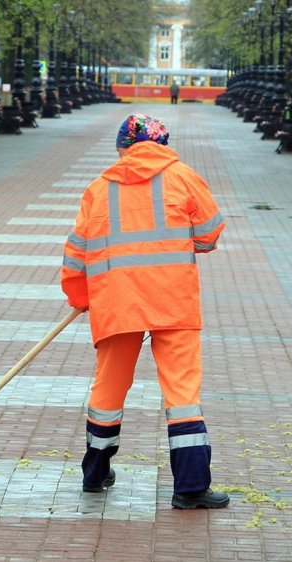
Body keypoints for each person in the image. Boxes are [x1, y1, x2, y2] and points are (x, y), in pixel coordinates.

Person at [60, 114, 228, 510]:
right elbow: (209, 233)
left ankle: (95, 473)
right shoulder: (183, 176)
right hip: (173, 301)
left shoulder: (99, 189)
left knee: (108, 388)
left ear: (123, 147)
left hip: (117, 302)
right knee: (182, 393)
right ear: (163, 145)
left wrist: (80, 296)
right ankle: (189, 488)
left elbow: (75, 253)